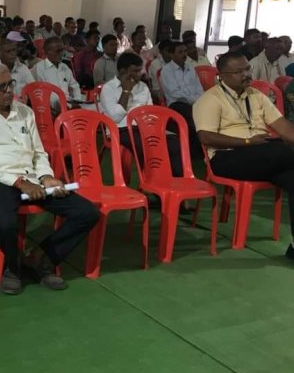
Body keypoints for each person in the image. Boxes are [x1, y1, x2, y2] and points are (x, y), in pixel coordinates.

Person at [0, 63, 99, 295]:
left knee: (86, 213)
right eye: (1, 87)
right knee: (6, 223)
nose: (8, 91)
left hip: (32, 178)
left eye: (10, 84)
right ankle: (12, 267)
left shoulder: (25, 112)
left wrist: (46, 177)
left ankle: (40, 257)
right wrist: (17, 182)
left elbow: (39, 152)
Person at [193, 51, 294, 261]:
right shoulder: (210, 99)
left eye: (247, 68)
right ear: (222, 75)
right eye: (239, 72)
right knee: (281, 150)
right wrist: (247, 142)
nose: (247, 74)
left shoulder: (257, 95)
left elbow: (284, 129)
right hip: (226, 158)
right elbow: (205, 137)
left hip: (262, 156)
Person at [99, 53, 183, 177]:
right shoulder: (108, 88)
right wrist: (126, 91)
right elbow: (115, 118)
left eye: (140, 70)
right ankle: (153, 182)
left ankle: (175, 183)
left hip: (143, 128)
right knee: (148, 145)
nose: (140, 74)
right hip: (119, 130)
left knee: (173, 142)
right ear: (123, 71)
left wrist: (154, 129)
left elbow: (150, 113)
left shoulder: (143, 87)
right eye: (136, 71)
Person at [159, 41, 203, 150]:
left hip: (195, 102)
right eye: (180, 52)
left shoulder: (190, 68)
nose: (184, 54)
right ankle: (194, 149)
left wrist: (200, 100)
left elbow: (199, 88)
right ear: (172, 55)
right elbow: (175, 94)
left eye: (185, 51)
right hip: (177, 104)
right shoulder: (167, 70)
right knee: (192, 115)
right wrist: (194, 101)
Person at [33, 37, 84, 108]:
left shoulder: (64, 67)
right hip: (51, 108)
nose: (61, 54)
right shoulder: (39, 68)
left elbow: (74, 86)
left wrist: (77, 101)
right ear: (46, 52)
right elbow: (40, 95)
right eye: (58, 51)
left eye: (62, 50)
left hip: (68, 104)